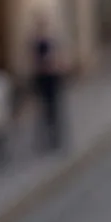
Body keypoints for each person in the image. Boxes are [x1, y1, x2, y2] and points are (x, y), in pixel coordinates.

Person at [29, 13, 68, 152]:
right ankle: (47, 138)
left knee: (54, 108)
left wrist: (57, 66)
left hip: (52, 78)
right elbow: (34, 61)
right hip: (42, 78)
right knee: (45, 109)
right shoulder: (36, 43)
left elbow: (58, 57)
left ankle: (55, 137)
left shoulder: (51, 41)